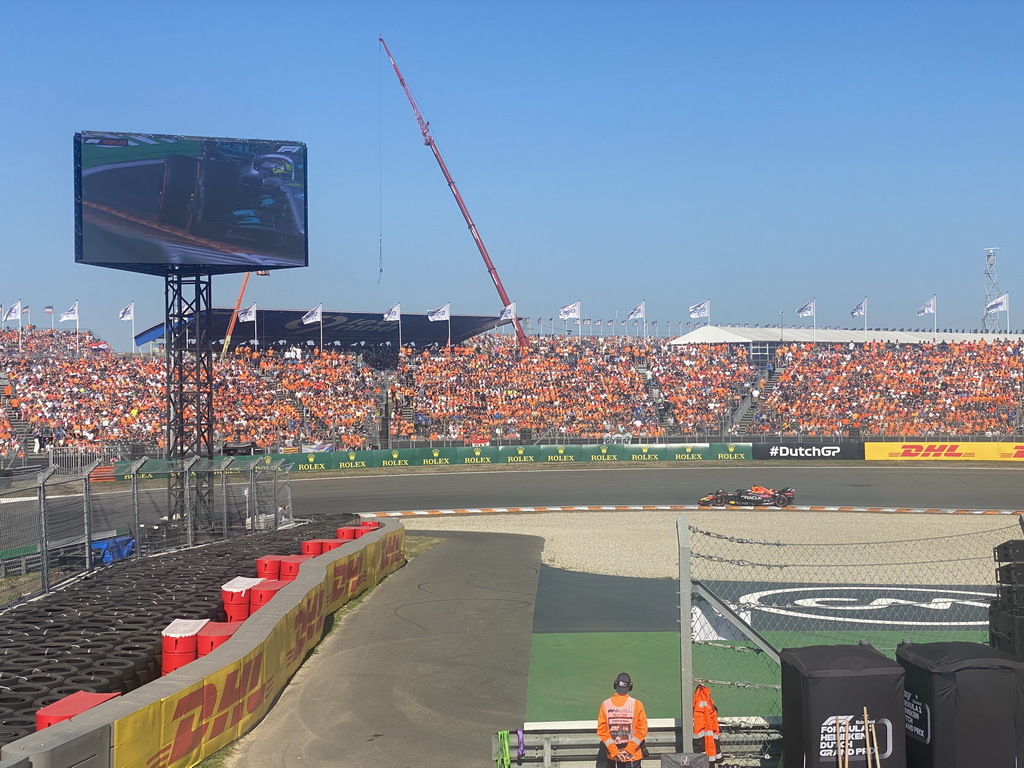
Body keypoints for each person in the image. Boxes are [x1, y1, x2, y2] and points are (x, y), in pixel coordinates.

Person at [597, 672, 648, 766]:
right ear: (630, 686)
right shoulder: (637, 704)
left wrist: (615, 751)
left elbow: (602, 731)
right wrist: (629, 750)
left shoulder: (605, 705)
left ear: (615, 684)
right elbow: (642, 730)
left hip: (613, 756)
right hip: (633, 756)